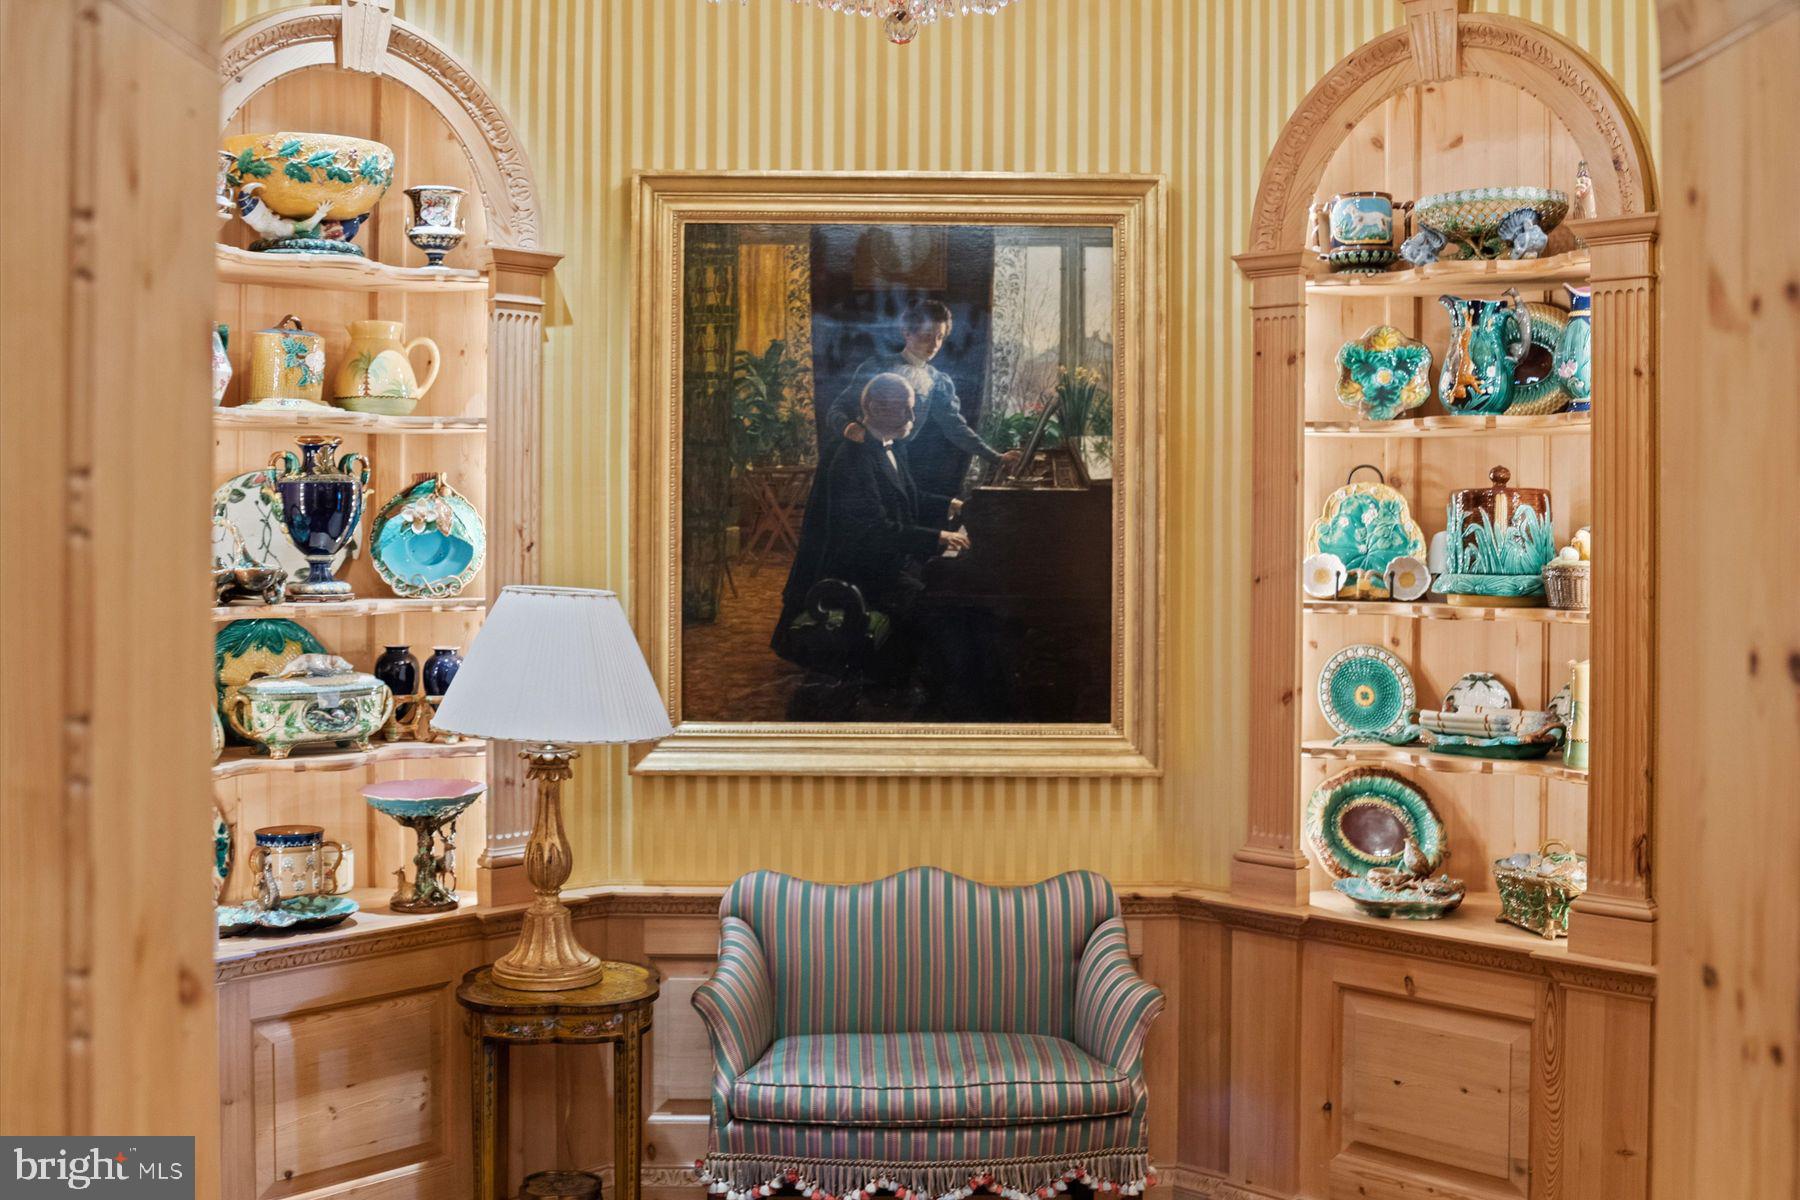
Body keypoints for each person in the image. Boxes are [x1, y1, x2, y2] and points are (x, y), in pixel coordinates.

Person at [825, 299, 1021, 499]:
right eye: (927, 336)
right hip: (858, 457)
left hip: (897, 461)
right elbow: (838, 408)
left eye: (940, 337)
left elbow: (956, 428)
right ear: (907, 333)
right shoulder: (877, 366)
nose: (934, 344)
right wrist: (848, 427)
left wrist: (996, 457)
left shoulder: (938, 381)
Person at [814, 372, 967, 621]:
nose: (912, 418)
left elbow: (910, 495)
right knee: (944, 609)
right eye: (905, 410)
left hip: (894, 563)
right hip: (867, 574)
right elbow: (874, 531)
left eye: (912, 409)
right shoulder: (854, 457)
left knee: (953, 592)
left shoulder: (892, 445)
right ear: (875, 408)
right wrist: (940, 536)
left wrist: (953, 504)